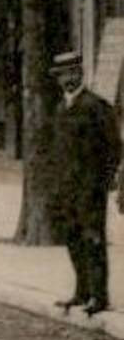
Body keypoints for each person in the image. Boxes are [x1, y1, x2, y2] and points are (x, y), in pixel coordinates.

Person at [50, 51, 120, 317]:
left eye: (69, 73)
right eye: (60, 75)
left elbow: (114, 148)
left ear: (79, 73)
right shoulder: (60, 107)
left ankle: (99, 297)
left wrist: (103, 181)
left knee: (93, 241)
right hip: (66, 188)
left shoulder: (96, 107)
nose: (65, 79)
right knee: (72, 239)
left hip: (90, 190)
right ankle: (81, 292)